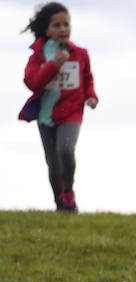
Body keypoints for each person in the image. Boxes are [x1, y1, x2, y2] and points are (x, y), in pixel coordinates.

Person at [19, 2, 97, 213]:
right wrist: (54, 65)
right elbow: (32, 83)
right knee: (53, 163)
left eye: (66, 24)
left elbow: (87, 78)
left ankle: (69, 192)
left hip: (72, 111)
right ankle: (60, 203)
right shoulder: (37, 56)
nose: (63, 29)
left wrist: (91, 96)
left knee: (66, 150)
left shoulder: (80, 53)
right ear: (46, 29)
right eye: (57, 25)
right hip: (46, 115)